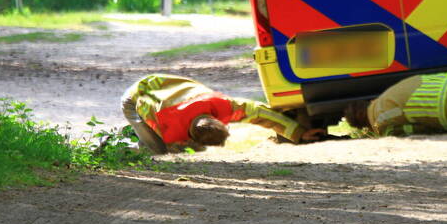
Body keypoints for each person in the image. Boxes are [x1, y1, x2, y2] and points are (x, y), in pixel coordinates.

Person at [121, 74, 323, 154]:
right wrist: (174, 145)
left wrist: (299, 133)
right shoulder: (169, 125)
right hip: (136, 99)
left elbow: (261, 113)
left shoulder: (224, 107)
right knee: (160, 151)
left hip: (165, 88)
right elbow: (143, 107)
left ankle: (134, 133)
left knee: (185, 150)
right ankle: (117, 146)